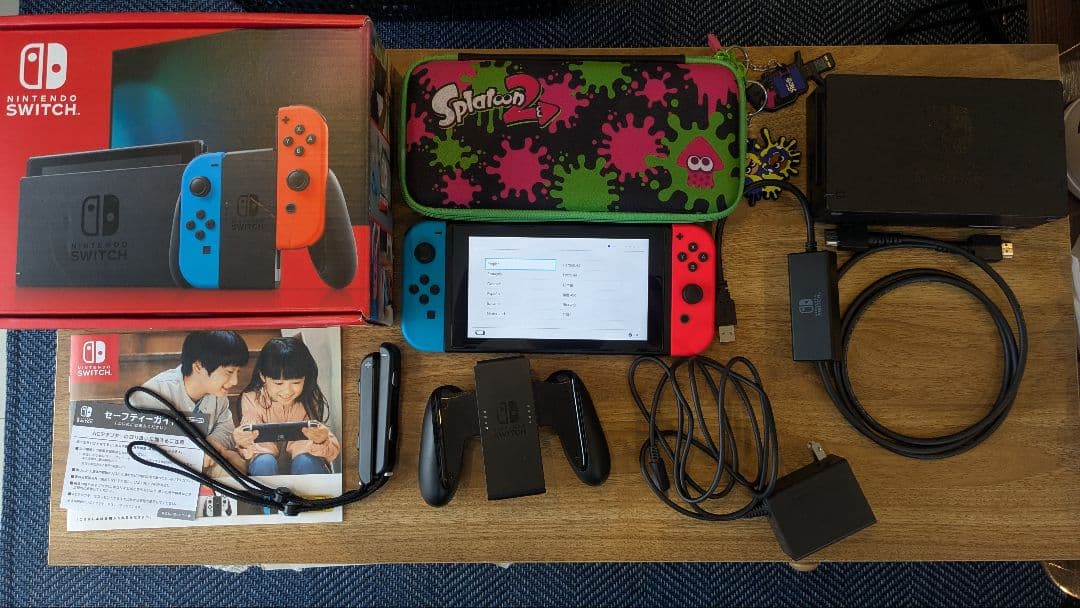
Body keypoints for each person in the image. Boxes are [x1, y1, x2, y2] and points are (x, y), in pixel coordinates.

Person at [135, 330, 250, 474]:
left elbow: (225, 429)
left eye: (238, 372)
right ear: (198, 366)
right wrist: (198, 449)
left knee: (236, 464)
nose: (235, 381)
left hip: (203, 465)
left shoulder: (218, 394)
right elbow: (142, 446)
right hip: (163, 470)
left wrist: (211, 446)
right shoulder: (154, 393)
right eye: (229, 372)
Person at [233, 337, 340, 476]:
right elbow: (254, 447)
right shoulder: (251, 399)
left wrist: (321, 440)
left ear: (305, 378)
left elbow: (331, 452)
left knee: (305, 461)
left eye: (296, 383)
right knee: (264, 462)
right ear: (263, 377)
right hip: (265, 465)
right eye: (278, 383)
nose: (287, 391)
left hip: (304, 464)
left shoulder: (308, 398)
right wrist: (243, 441)